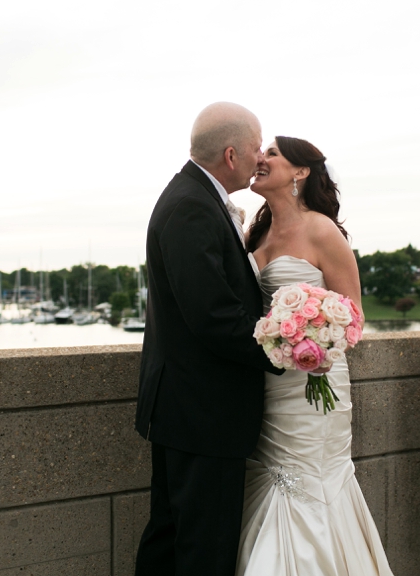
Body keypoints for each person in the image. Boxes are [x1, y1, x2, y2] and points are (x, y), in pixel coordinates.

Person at [134, 102, 284, 576]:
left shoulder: (193, 197)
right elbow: (213, 316)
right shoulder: (191, 206)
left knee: (172, 536)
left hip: (189, 409)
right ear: (232, 154)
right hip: (202, 411)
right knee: (203, 546)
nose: (262, 158)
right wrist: (286, 352)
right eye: (257, 148)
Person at [237, 136, 394, 575]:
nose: (260, 159)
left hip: (315, 383)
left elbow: (353, 317)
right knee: (272, 475)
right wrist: (277, 341)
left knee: (310, 480)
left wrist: (309, 339)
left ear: (301, 172)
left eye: (271, 154)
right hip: (269, 383)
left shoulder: (322, 230)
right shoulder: (256, 231)